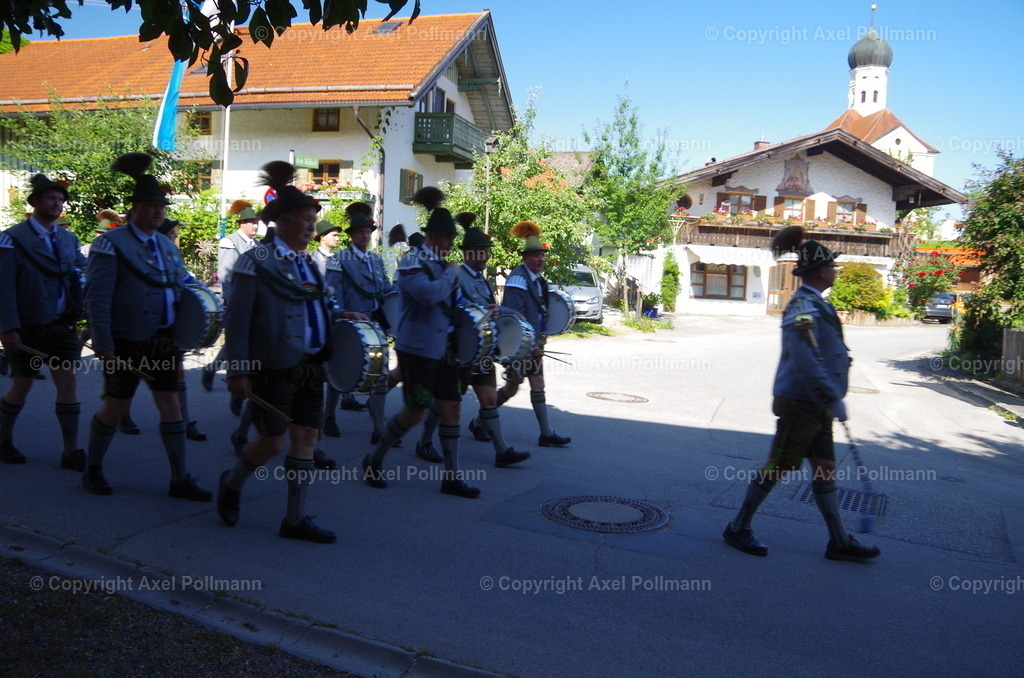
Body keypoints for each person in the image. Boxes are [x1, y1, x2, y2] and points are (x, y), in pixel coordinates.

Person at [217, 160, 359, 542]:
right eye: (304, 217)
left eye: (313, 217)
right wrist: (238, 371)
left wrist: (341, 313)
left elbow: (314, 306)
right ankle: (232, 482)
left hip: (312, 366)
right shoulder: (255, 261)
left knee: (306, 439)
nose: (312, 224)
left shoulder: (310, 263)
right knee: (272, 443)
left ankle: (294, 519)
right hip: (273, 367)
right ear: (281, 221)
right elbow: (238, 320)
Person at [722, 226, 880, 562]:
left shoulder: (816, 304)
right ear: (822, 270)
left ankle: (838, 541)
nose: (836, 271)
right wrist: (831, 394)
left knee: (824, 467)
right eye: (833, 267)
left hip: (816, 404)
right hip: (802, 403)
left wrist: (831, 396)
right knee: (778, 465)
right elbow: (805, 359)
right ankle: (738, 527)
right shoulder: (802, 306)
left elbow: (824, 352)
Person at [81, 153, 210, 500]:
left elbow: (182, 291)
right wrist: (103, 343)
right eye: (151, 206)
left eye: (162, 207)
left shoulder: (168, 249)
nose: (158, 212)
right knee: (116, 406)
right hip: (125, 340)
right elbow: (96, 298)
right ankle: (92, 468)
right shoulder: (110, 243)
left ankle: (180, 477)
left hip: (163, 341)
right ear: (134, 208)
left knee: (171, 405)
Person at [361, 186, 480, 498]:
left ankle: (452, 477)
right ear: (433, 236)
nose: (452, 243)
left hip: (445, 349)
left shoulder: (443, 264)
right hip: (416, 348)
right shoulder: (414, 260)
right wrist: (451, 276)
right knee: (414, 411)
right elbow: (428, 296)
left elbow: (451, 304)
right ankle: (374, 459)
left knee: (452, 409)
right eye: (448, 237)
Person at [417, 217, 531, 468]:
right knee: (446, 401)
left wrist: (499, 313)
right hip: (462, 349)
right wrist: (481, 310)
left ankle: (501, 450)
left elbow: (485, 310)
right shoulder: (457, 275)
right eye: (481, 252)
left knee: (489, 399)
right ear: (469, 253)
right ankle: (424, 440)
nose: (485, 257)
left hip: (483, 349)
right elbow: (452, 307)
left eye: (487, 252)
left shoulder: (481, 279)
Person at [0, 174, 86, 469]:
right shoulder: (11, 238)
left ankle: (71, 450)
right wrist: (7, 327)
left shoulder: (68, 238)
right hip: (27, 327)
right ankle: (4, 440)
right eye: (51, 198)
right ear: (35, 202)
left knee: (68, 379)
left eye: (61, 200)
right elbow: (4, 287)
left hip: (62, 325)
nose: (57, 204)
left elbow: (82, 273)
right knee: (22, 383)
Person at [325, 203, 398, 443]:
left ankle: (379, 428)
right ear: (351, 235)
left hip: (375, 328)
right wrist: (344, 315)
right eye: (360, 232)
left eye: (368, 231)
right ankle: (329, 417)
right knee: (340, 373)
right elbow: (332, 295)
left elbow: (386, 290)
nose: (365, 235)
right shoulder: (339, 260)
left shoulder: (376, 261)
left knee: (380, 375)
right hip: (349, 326)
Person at [497, 221, 572, 448]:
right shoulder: (519, 279)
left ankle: (546, 433)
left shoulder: (538, 280)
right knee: (512, 387)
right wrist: (530, 345)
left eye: (542, 255)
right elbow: (514, 316)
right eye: (536, 255)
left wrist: (542, 336)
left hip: (534, 344)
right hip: (520, 345)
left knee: (538, 384)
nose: (540, 259)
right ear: (525, 258)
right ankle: (480, 422)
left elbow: (541, 311)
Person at [201, 199, 260, 415]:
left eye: (257, 222)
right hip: (238, 303)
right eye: (251, 222)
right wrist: (235, 304)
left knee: (241, 346)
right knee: (239, 348)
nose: (255, 225)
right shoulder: (229, 242)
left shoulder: (258, 246)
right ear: (242, 223)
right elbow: (226, 276)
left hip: (255, 306)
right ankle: (238, 396)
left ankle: (211, 369)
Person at [157, 218, 207, 442]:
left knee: (177, 372)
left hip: (168, 328)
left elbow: (187, 279)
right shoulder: (145, 255)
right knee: (130, 378)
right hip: (142, 328)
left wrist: (202, 289)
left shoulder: (173, 256)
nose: (176, 237)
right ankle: (122, 414)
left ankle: (184, 421)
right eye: (172, 233)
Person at [311, 218, 347, 437]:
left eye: (338, 234)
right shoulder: (311, 260)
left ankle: (329, 416)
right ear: (322, 237)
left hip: (336, 320)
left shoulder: (340, 261)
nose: (337, 237)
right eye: (333, 234)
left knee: (334, 371)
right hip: (316, 324)